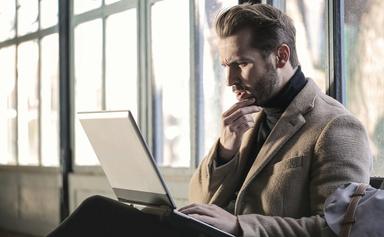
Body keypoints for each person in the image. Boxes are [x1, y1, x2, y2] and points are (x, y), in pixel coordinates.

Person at [47, 3, 371, 237]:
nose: (230, 80)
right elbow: (198, 202)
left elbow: (337, 229)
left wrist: (239, 226)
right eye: (225, 66)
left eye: (241, 64)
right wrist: (226, 152)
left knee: (99, 214)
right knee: (103, 214)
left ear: (281, 56)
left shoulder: (336, 127)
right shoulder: (248, 117)